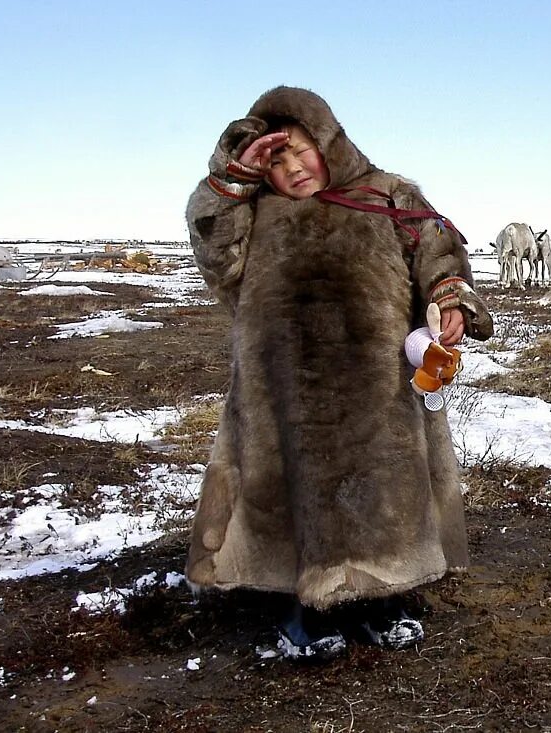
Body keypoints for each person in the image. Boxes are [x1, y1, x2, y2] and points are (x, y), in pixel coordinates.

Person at [185, 86, 493, 661]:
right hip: (282, 381)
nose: (292, 167)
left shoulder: (387, 194)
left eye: (299, 149)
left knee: (382, 483)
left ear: (328, 141)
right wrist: (231, 180)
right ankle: (302, 604)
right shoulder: (250, 214)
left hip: (378, 381)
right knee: (286, 484)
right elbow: (215, 256)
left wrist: (450, 298)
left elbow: (438, 248)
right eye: (274, 161)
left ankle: (382, 596)